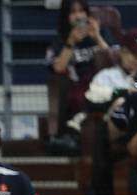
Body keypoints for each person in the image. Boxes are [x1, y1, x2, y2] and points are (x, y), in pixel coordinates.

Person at [45, 0, 116, 133]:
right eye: (73, 12)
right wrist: (71, 42)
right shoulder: (59, 40)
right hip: (78, 85)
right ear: (66, 16)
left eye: (81, 11)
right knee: (82, 96)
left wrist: (98, 37)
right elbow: (58, 68)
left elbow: (114, 62)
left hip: (106, 83)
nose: (78, 16)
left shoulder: (102, 33)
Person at [67, 28, 137, 133]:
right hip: (116, 126)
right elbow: (92, 95)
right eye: (134, 54)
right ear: (122, 52)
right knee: (122, 101)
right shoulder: (107, 75)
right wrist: (122, 92)